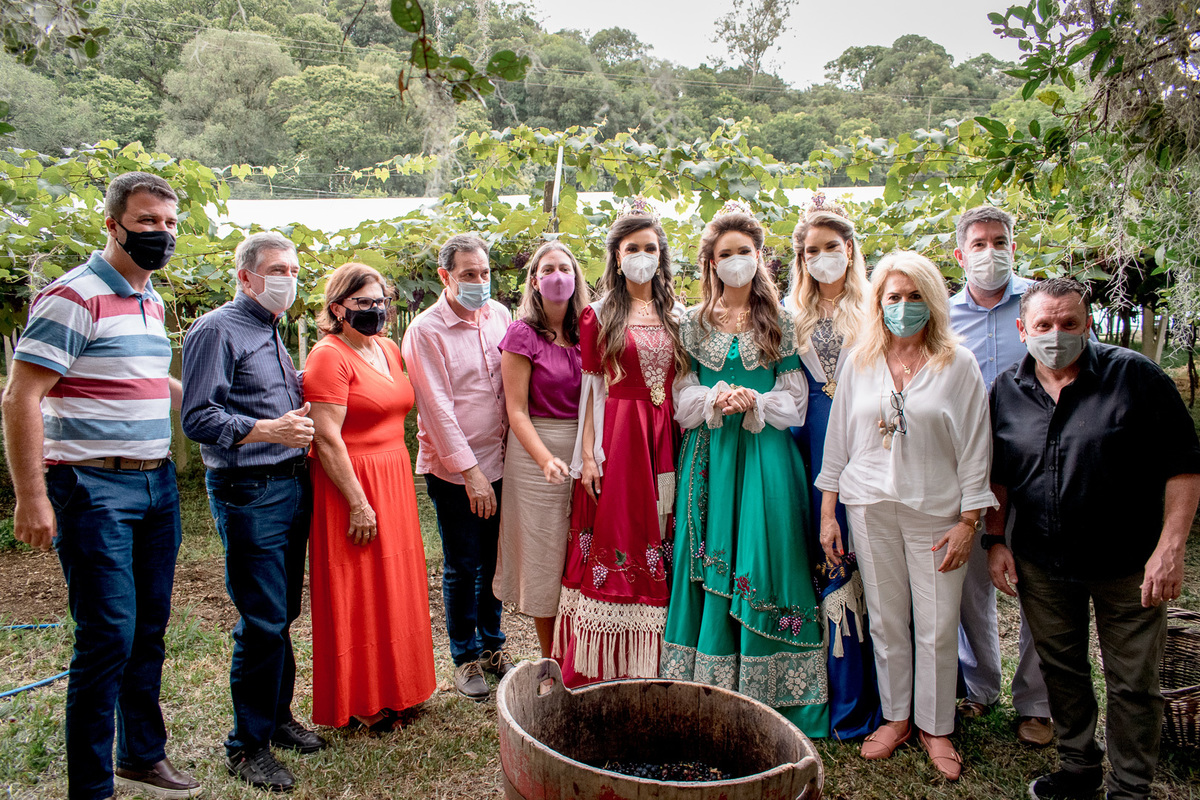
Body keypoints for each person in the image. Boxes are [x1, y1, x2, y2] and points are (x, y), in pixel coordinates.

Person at [1, 172, 203, 800]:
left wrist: (222, 410)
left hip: (156, 484)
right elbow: (20, 396)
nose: (161, 233)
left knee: (148, 629)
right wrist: (31, 495)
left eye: (169, 223)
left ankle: (140, 754)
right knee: (108, 634)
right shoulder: (73, 296)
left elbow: (150, 381)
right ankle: (91, 788)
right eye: (147, 222)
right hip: (91, 488)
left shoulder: (150, 299)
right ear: (113, 225)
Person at [987, 278, 1200, 800]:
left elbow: (1184, 466)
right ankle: (1078, 767)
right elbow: (999, 476)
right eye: (1043, 325)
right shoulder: (1006, 391)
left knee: (1132, 682)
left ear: (1088, 325)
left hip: (1128, 563)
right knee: (1061, 670)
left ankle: (1130, 787)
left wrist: (1170, 548)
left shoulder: (1136, 377)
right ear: (1023, 330)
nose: (1056, 334)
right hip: (1042, 561)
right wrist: (996, 541)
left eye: (1069, 323)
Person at [815, 251, 996, 782]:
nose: (903, 306)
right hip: (869, 507)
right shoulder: (860, 361)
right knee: (886, 620)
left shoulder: (957, 364)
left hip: (937, 512)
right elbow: (837, 442)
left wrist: (969, 522)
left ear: (933, 300)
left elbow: (976, 449)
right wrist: (829, 514)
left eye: (915, 296)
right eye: (893, 297)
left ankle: (935, 726)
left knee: (936, 623)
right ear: (878, 303)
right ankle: (896, 718)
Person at [660, 204, 828, 737]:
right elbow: (681, 394)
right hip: (710, 455)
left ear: (759, 256)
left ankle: (777, 691)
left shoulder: (782, 321)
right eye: (725, 253)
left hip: (765, 455)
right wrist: (714, 397)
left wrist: (754, 400)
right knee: (708, 556)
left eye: (745, 251)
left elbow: (794, 399)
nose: (736, 261)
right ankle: (707, 690)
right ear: (711, 263)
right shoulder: (691, 322)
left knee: (767, 553)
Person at [181, 231, 325, 791]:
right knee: (262, 618)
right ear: (245, 276)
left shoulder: (269, 328)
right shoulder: (217, 329)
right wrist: (269, 429)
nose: (288, 278)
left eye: (293, 269)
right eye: (276, 269)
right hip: (249, 489)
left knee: (282, 613)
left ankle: (276, 718)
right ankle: (246, 747)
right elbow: (198, 417)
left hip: (289, 484)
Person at [554, 198, 689, 688]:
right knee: (622, 529)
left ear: (661, 255)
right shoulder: (598, 314)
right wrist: (589, 456)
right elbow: (591, 392)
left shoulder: (677, 314)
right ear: (616, 255)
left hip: (667, 434)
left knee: (664, 527)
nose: (642, 256)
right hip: (620, 434)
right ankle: (605, 661)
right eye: (633, 248)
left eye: (650, 247)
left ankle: (660, 659)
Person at [305, 262, 437, 729]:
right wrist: (358, 502)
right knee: (359, 588)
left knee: (395, 583)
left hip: (393, 475)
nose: (375, 309)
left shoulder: (388, 348)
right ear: (338, 307)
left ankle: (400, 687)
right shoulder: (328, 356)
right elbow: (326, 437)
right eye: (363, 302)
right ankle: (362, 700)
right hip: (352, 482)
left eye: (381, 301)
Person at [947, 204, 1052, 746]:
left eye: (1000, 241)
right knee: (970, 585)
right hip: (965, 471)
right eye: (980, 243)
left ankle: (1036, 702)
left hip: (1035, 469)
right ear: (961, 254)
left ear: (1014, 246)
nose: (991, 252)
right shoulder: (941, 316)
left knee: (1039, 584)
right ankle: (981, 686)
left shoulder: (1041, 306)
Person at [786, 196, 882, 740]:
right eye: (811, 250)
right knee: (819, 557)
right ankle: (826, 692)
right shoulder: (789, 313)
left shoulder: (875, 306)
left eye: (830, 247)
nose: (821, 257)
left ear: (849, 249)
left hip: (863, 441)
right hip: (806, 444)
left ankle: (872, 693)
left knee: (864, 559)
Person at [402, 234, 514, 702]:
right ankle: (464, 655)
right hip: (455, 471)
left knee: (494, 559)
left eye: (484, 272)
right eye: (469, 274)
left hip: (503, 460)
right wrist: (472, 475)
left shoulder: (500, 315)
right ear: (445, 276)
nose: (479, 281)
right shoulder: (425, 331)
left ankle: (493, 645)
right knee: (463, 564)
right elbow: (437, 410)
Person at [493, 242, 588, 658]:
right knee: (545, 555)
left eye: (565, 268)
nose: (557, 276)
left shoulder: (590, 331)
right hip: (536, 454)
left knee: (582, 549)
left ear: (576, 278)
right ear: (534, 281)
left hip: (585, 446)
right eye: (548, 269)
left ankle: (581, 651)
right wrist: (545, 458)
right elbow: (515, 410)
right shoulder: (522, 334)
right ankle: (552, 659)